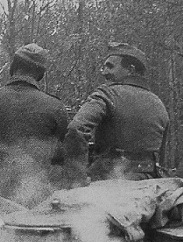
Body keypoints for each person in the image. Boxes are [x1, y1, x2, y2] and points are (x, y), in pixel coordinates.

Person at [0, 43, 73, 207]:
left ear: (13, 67)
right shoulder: (54, 106)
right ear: (40, 74)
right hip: (36, 196)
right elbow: (63, 155)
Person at [65, 42, 169, 181]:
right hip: (148, 182)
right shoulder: (158, 103)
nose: (104, 72)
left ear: (130, 69)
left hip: (108, 181)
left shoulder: (107, 94)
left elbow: (76, 129)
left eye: (110, 66)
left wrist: (77, 176)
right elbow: (160, 156)